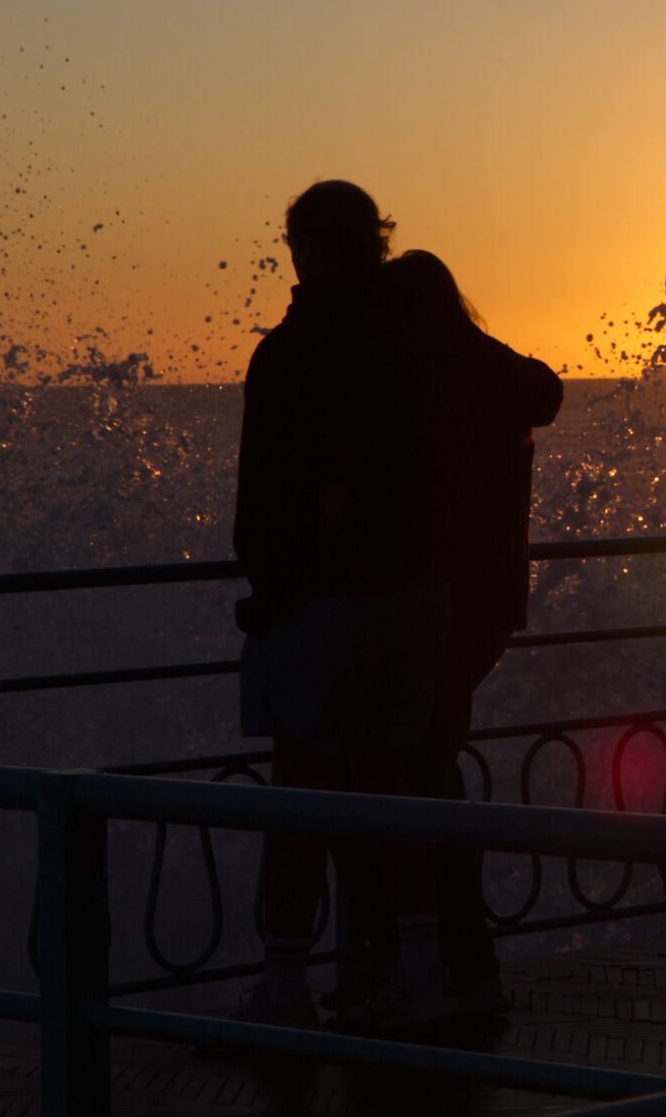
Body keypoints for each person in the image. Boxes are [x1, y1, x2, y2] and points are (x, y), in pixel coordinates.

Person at [229, 181, 449, 1031]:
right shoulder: (417, 338)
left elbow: (266, 504)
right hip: (420, 593)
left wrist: (270, 596)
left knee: (301, 791)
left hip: (326, 603)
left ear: (307, 248)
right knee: (394, 783)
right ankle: (425, 971)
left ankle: (284, 983)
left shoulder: (292, 349)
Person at [375, 249, 563, 1021]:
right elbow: (546, 387)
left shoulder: (425, 380)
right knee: (428, 765)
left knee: (414, 775)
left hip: (436, 604)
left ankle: (450, 967)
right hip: (486, 606)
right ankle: (448, 964)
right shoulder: (492, 370)